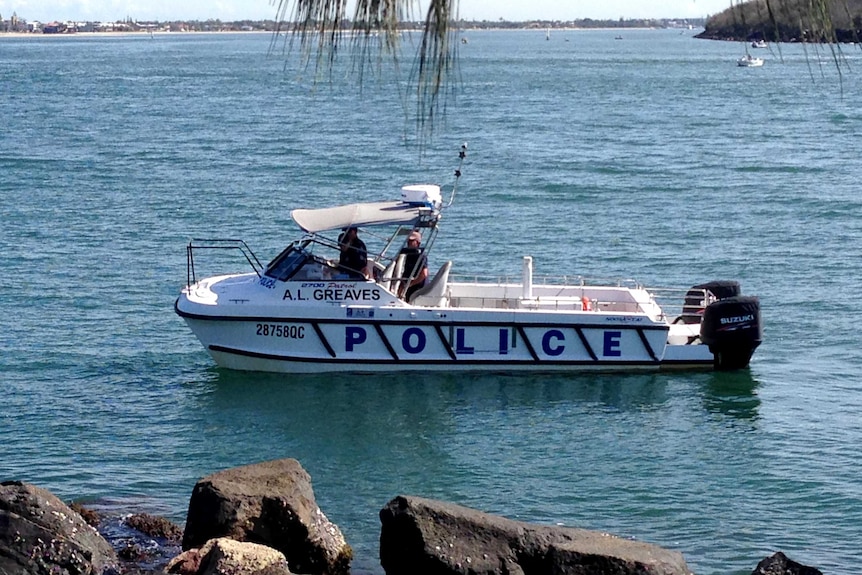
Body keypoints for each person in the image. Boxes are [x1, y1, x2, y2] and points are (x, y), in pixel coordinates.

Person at [399, 230, 429, 300]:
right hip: (408, 286)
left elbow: (424, 274)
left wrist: (410, 284)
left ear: (418, 242)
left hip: (418, 287)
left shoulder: (421, 256)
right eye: (408, 240)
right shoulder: (408, 255)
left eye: (411, 241)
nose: (408, 242)